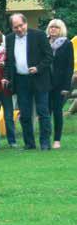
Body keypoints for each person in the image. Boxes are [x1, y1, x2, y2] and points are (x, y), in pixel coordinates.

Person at [3, 13, 53, 150]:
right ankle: (29, 143)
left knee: (43, 112)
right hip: (20, 80)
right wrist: (6, 76)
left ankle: (44, 142)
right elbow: (8, 61)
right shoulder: (9, 39)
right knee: (24, 114)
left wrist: (38, 68)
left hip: (39, 79)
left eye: (21, 26)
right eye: (15, 27)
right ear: (11, 28)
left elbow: (49, 57)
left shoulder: (39, 35)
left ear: (26, 24)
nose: (19, 29)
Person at [46, 19, 73, 149]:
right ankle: (45, 138)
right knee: (45, 112)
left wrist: (66, 87)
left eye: (56, 27)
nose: (53, 29)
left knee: (57, 111)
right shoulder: (44, 42)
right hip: (45, 83)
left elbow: (69, 66)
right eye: (51, 27)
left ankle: (57, 140)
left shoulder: (67, 44)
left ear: (61, 29)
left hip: (60, 84)